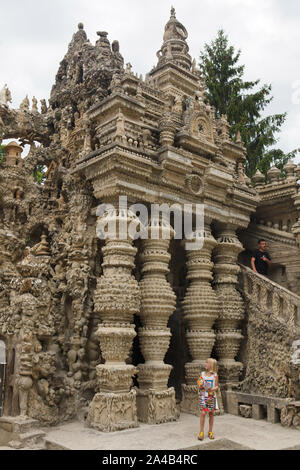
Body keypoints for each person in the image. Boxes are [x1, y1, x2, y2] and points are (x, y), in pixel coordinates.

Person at [197, 358, 219, 441]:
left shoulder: (215, 375)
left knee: (211, 414)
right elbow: (199, 382)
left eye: (207, 363)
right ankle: (201, 432)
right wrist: (200, 385)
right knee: (203, 413)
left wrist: (212, 389)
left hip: (211, 396)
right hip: (203, 396)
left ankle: (210, 431)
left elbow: (217, 386)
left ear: (211, 365)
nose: (205, 364)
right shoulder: (202, 374)